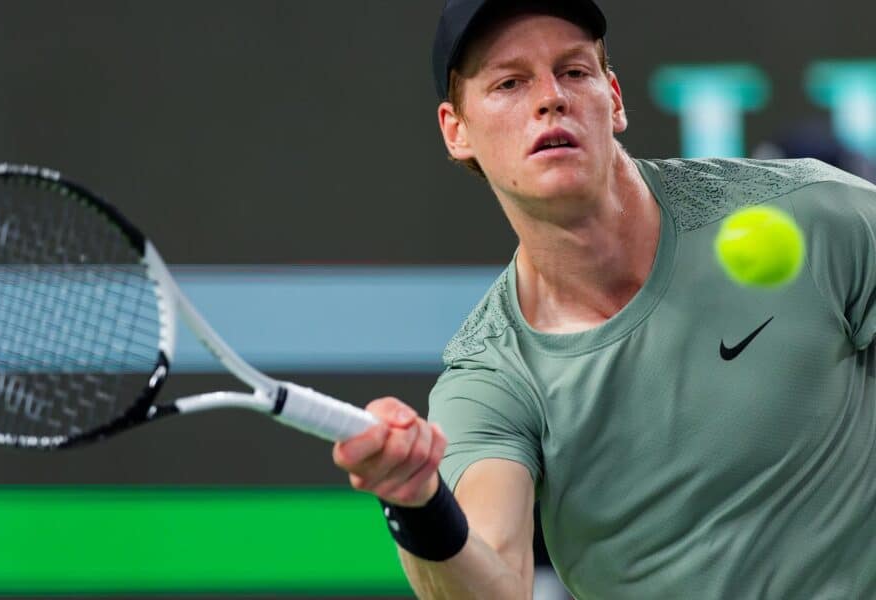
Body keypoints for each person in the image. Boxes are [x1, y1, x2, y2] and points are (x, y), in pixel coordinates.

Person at [332, 1, 876, 598]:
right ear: (456, 131)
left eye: (573, 72)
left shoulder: (815, 214)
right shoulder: (492, 378)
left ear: (612, 98)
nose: (550, 97)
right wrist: (418, 504)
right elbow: (491, 586)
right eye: (510, 83)